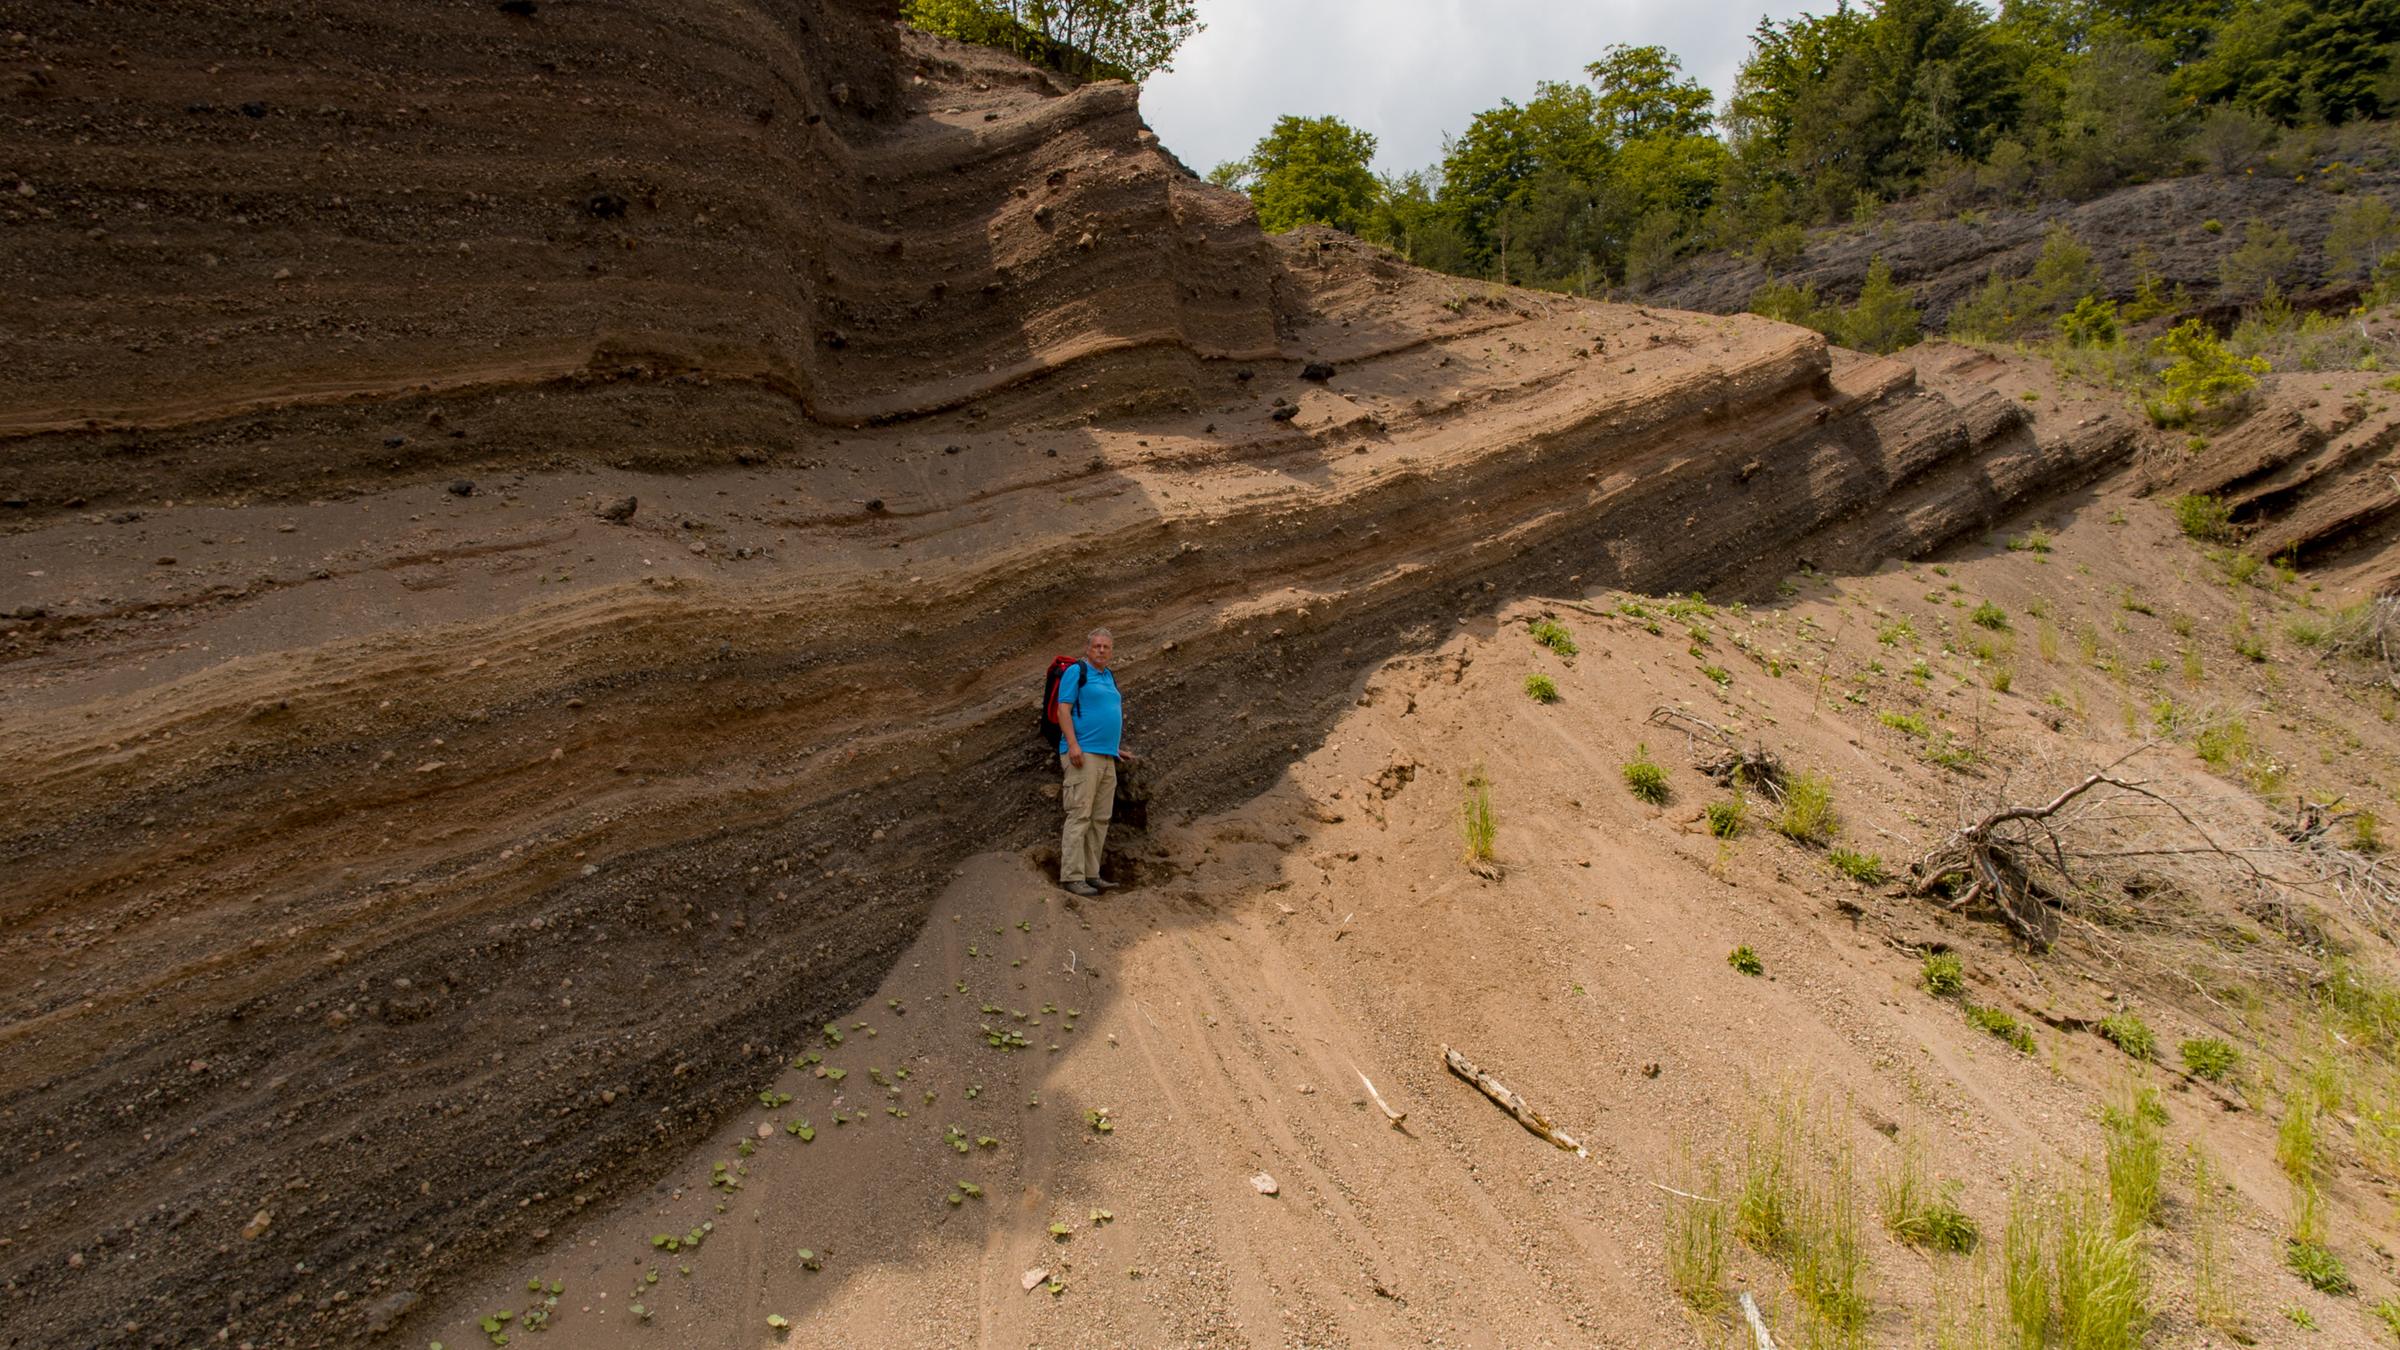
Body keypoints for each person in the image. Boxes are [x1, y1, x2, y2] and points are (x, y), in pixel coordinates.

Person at [1054, 627, 1133, 897]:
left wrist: (1113, 748)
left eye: (1106, 647)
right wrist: (1074, 744)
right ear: (1088, 649)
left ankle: (1091, 874)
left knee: (1100, 818)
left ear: (1111, 652)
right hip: (1082, 755)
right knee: (1080, 815)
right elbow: (1062, 709)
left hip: (1105, 755)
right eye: (1097, 646)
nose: (1101, 650)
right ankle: (1072, 877)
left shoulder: (1108, 676)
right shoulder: (1076, 671)